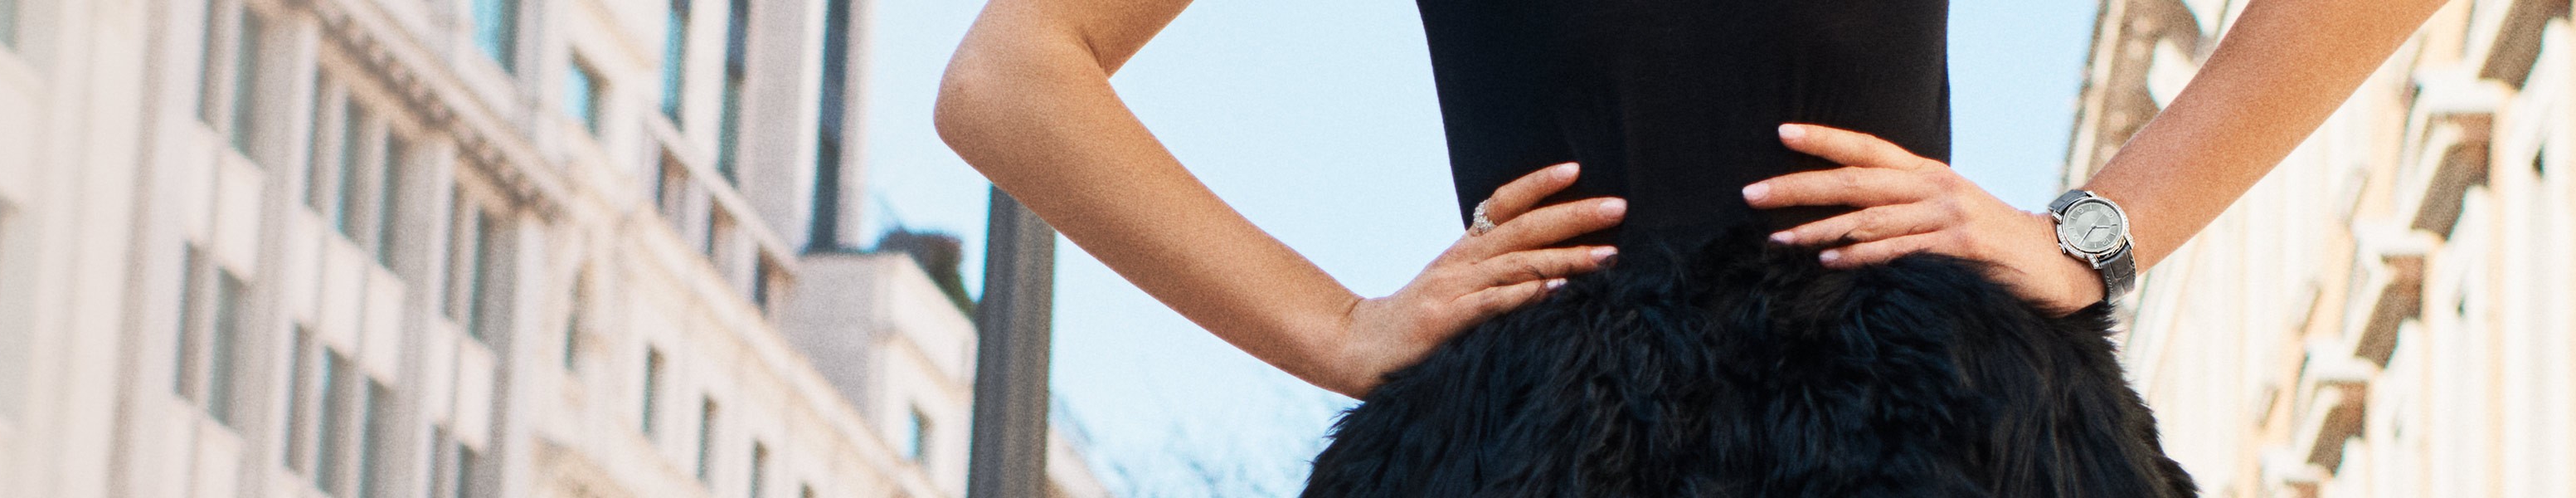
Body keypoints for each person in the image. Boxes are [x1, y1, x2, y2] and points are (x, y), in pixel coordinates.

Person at [933, 0, 2446, 495]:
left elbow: (1013, 70)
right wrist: (1334, 329)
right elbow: (1008, 77)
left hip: (1569, 432)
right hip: (1920, 421)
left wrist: (2092, 233)